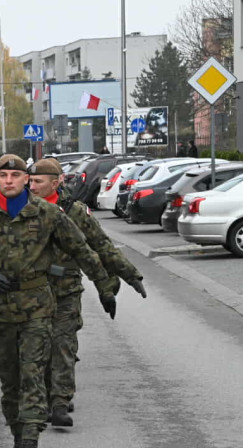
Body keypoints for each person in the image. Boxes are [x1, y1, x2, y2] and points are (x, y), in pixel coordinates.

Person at [0, 154, 117, 448]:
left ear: (26, 179)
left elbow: (82, 249)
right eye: (3, 175)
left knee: (32, 373)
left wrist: (105, 285)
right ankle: (17, 432)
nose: (9, 180)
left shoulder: (49, 214)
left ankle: (30, 440)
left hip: (38, 308)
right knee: (10, 379)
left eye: (15, 175)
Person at [26, 158, 146, 426]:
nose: (32, 187)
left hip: (65, 290)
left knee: (63, 344)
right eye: (30, 181)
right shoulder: (22, 210)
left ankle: (59, 402)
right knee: (38, 347)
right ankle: (44, 396)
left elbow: (101, 246)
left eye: (38, 182)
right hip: (31, 294)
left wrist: (129, 276)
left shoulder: (74, 211)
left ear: (55, 183)